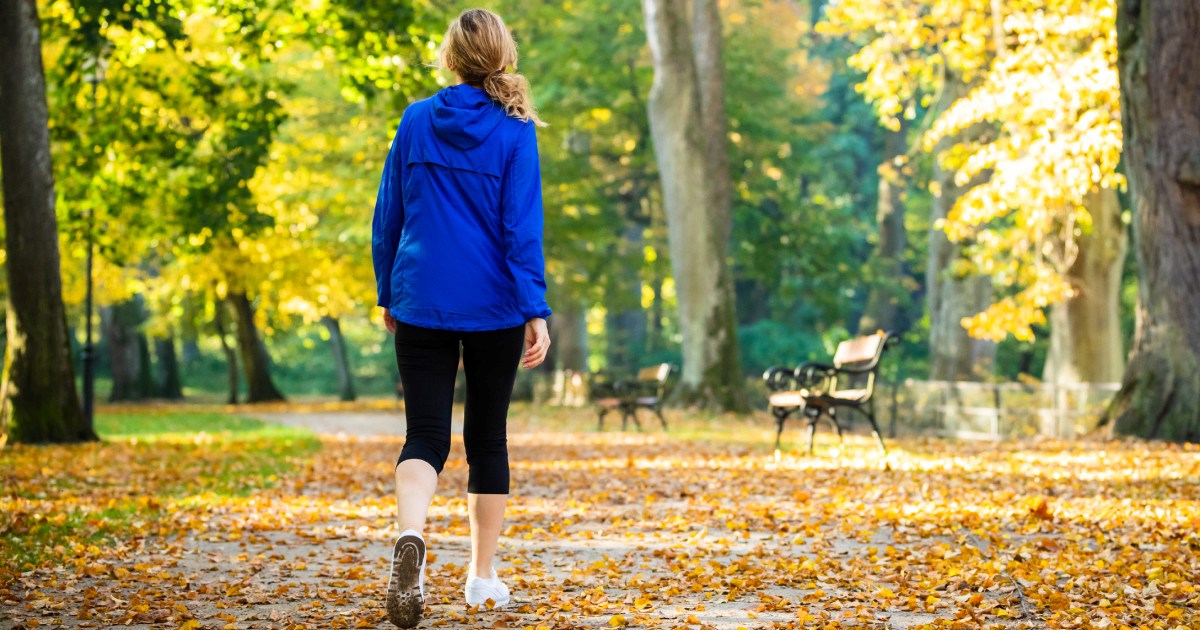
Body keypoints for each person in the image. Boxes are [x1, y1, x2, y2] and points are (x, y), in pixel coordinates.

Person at [370, 8, 552, 628]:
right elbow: (520, 228)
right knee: (487, 437)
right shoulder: (515, 128)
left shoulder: (417, 119)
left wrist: (388, 289)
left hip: (422, 296)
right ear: (503, 57)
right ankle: (481, 578)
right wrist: (536, 309)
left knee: (423, 434)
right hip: (495, 305)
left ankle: (411, 537)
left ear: (448, 57)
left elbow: (388, 213)